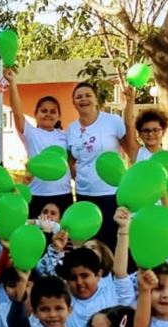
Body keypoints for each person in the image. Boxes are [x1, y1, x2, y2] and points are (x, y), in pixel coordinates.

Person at [66, 82, 137, 249]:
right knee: (91, 244)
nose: (83, 99)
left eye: (88, 95)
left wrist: (130, 104)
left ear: (96, 99)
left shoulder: (112, 121)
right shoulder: (71, 129)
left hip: (111, 194)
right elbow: (71, 160)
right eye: (79, 97)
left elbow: (131, 150)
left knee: (113, 241)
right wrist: (79, 179)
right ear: (73, 102)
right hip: (84, 195)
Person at [6, 67, 73, 218]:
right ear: (36, 114)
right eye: (44, 111)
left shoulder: (65, 136)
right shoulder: (31, 133)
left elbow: (71, 162)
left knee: (62, 239)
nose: (48, 114)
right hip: (36, 194)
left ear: (58, 116)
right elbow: (17, 112)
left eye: (52, 111)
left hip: (63, 194)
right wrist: (12, 83)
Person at [59, 208, 135, 327]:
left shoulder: (112, 292)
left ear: (98, 275)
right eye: (73, 278)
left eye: (85, 276)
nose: (79, 282)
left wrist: (123, 229)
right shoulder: (65, 297)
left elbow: (120, 271)